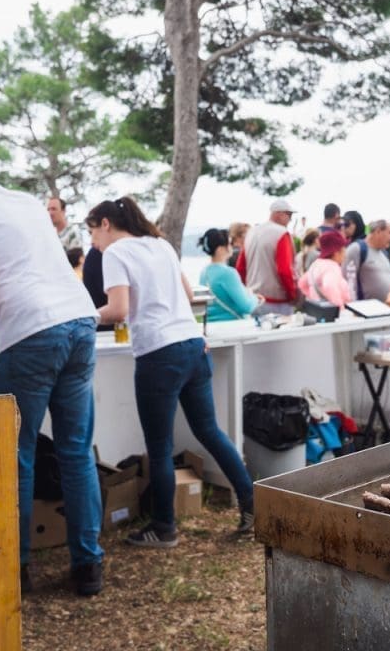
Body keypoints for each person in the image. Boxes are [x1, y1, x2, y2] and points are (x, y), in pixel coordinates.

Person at [0, 176, 104, 596]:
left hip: (28, 329)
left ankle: (17, 566)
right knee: (76, 449)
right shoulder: (25, 201)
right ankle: (88, 565)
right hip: (80, 319)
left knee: (16, 452)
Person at [87, 198, 255, 545]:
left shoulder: (117, 253)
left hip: (159, 354)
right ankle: (253, 505)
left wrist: (82, 313)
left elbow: (118, 310)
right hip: (193, 346)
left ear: (105, 224)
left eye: (92, 232)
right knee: (210, 431)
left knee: (160, 446)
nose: (92, 242)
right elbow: (189, 294)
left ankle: (164, 528)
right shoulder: (160, 245)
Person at [235, 199, 297, 315]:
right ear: (279, 214)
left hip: (254, 299)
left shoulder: (252, 232)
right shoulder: (282, 233)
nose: (291, 219)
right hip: (277, 302)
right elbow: (285, 270)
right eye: (289, 215)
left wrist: (245, 293)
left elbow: (241, 268)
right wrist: (292, 295)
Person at [198, 228, 260, 322]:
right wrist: (255, 298)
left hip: (211, 326)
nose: (232, 246)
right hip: (231, 327)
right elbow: (247, 307)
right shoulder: (228, 273)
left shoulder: (204, 272)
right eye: (229, 244)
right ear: (220, 249)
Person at [343, 219, 390, 302]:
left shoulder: (384, 253)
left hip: (386, 310)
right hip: (364, 311)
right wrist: (354, 308)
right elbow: (348, 283)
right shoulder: (357, 249)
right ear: (378, 232)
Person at [298, 230, 352, 307]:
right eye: (343, 250)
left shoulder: (316, 264)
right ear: (336, 253)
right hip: (333, 316)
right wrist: (340, 309)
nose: (345, 254)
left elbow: (302, 283)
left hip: (319, 311)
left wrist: (315, 299)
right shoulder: (332, 267)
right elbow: (329, 286)